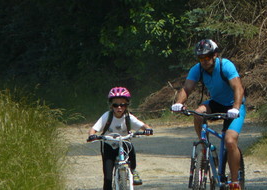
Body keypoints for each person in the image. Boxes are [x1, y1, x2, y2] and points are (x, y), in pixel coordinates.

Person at [171, 39, 246, 189]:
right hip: (216, 102)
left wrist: (236, 108)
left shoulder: (225, 65)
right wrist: (178, 103)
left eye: (207, 57)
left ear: (214, 55)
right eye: (201, 58)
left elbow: (238, 87)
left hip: (233, 105)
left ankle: (235, 181)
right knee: (198, 113)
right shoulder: (197, 69)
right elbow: (187, 88)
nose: (204, 61)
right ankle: (204, 146)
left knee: (230, 141)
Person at [87, 86, 153, 190]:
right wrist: (92, 135)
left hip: (124, 144)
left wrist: (148, 129)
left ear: (127, 105)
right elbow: (94, 129)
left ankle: (133, 170)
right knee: (108, 179)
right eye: (115, 105)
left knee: (130, 147)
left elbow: (143, 125)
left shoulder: (128, 117)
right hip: (109, 145)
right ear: (111, 106)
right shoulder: (107, 116)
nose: (119, 108)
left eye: (123, 105)